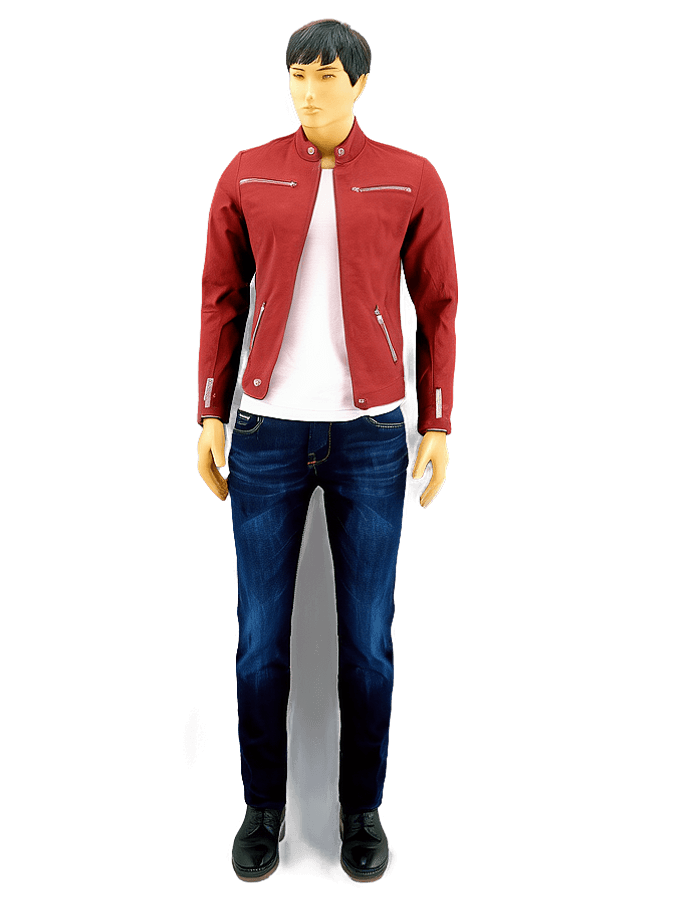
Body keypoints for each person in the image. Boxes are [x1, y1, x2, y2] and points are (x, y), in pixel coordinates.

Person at [196, 18, 458, 882]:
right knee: (259, 639)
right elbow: (221, 296)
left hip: (372, 434)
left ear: (361, 83)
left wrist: (436, 423)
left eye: (326, 77)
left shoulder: (411, 177)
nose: (308, 93)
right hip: (265, 431)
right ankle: (262, 807)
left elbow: (438, 303)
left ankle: (363, 811)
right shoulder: (246, 171)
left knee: (369, 641)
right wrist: (210, 412)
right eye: (297, 76)